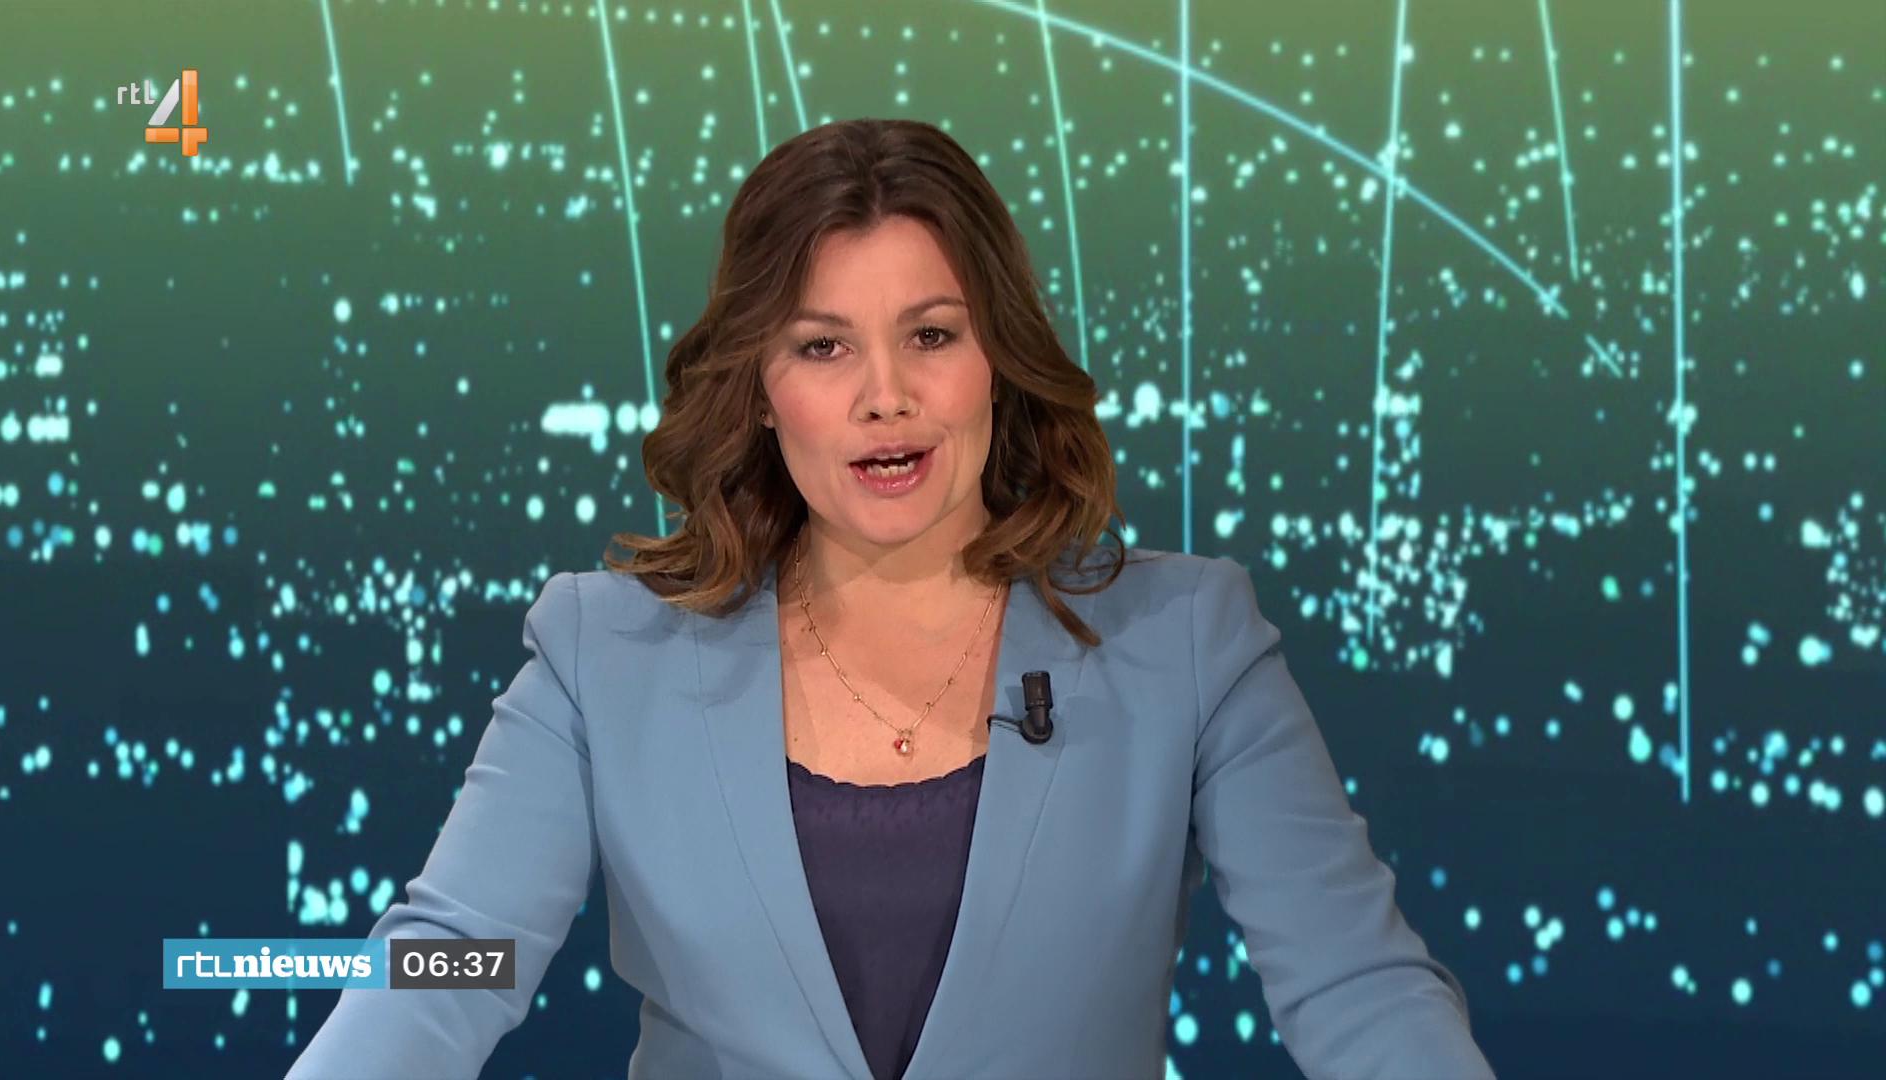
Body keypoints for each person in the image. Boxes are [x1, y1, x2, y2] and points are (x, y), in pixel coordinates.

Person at [287, 117, 1493, 1080]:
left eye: (931, 336)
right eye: (823, 347)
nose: (885, 397)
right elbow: (455, 956)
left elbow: (1355, 985)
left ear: (997, 362)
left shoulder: (1186, 643)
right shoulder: (603, 654)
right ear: (760, 389)